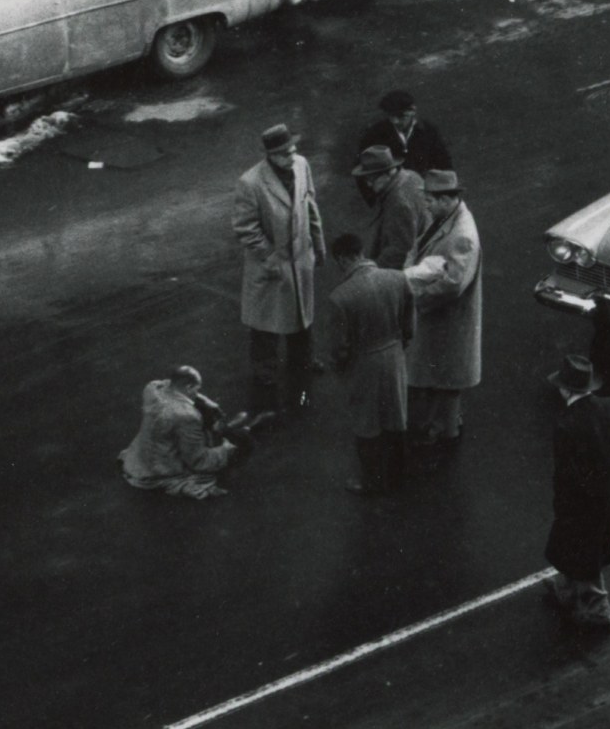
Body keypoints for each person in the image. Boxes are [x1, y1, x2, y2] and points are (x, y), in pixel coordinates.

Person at [233, 123, 326, 416]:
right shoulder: (251, 183)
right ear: (270, 156)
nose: (292, 156)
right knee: (267, 322)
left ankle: (304, 361)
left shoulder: (301, 166)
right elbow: (245, 228)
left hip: (300, 257)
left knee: (302, 315)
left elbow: (310, 204)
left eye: (293, 149)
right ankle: (265, 371)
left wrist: (318, 243)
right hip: (271, 264)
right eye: (284, 153)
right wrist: (270, 257)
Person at [542, 355, 610, 630]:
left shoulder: (566, 423)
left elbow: (564, 475)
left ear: (565, 390)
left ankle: (597, 612)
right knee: (586, 549)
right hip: (605, 496)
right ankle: (569, 590)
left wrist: (561, 503)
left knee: (580, 552)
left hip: (578, 501)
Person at [403, 170, 481, 473]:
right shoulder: (447, 220)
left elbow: (452, 284)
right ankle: (445, 427)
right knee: (443, 375)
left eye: (431, 200)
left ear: (448, 199)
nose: (426, 206)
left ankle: (443, 435)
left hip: (447, 319)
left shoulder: (461, 235)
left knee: (446, 377)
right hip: (443, 318)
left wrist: (416, 298)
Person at [326, 233, 414, 495]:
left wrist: (341, 365)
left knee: (367, 423)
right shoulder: (398, 279)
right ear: (362, 252)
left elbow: (339, 348)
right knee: (396, 417)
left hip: (363, 362)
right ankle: (397, 476)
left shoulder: (340, 297)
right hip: (395, 355)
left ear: (342, 259)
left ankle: (370, 481)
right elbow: (410, 327)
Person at [118, 366, 256, 500]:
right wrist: (226, 449)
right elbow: (198, 461)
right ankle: (227, 430)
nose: (198, 392)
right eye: (197, 388)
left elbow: (167, 383)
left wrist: (206, 401)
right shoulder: (187, 416)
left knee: (200, 411)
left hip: (141, 458)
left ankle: (223, 429)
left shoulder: (152, 388)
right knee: (241, 442)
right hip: (159, 469)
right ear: (189, 387)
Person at [352, 145, 429, 270]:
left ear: (387, 173)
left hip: (411, 268)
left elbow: (400, 252)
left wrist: (373, 272)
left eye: (371, 178)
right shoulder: (412, 176)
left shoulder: (398, 203)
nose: (368, 183)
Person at [357, 91, 452, 176]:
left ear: (413, 111)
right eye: (391, 115)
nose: (395, 121)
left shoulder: (429, 131)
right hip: (387, 192)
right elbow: (361, 169)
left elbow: (444, 164)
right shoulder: (376, 132)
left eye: (400, 116)